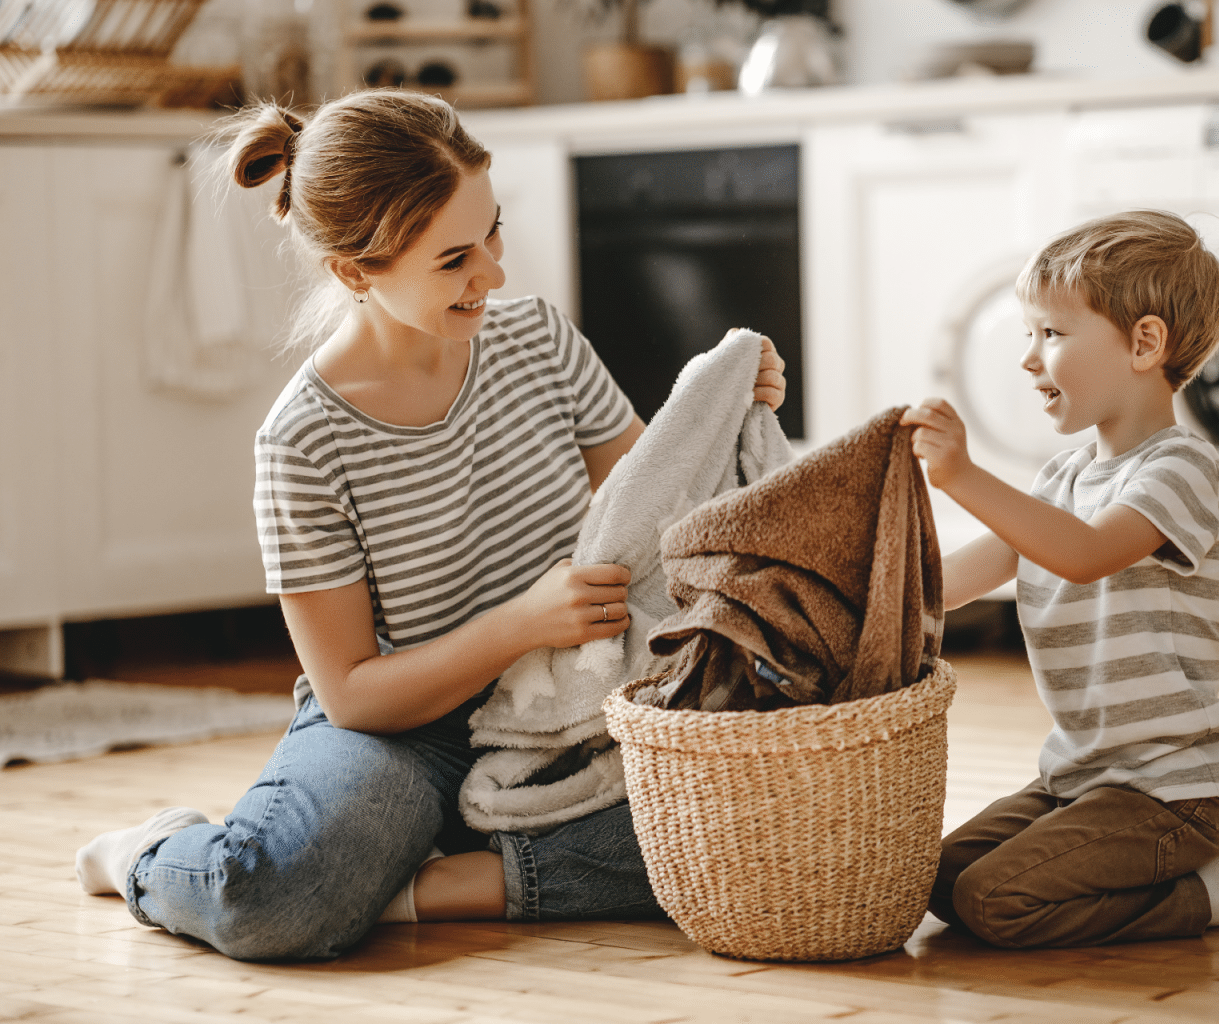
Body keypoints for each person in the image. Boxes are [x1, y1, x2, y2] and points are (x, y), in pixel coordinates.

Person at [73, 89, 787, 961]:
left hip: (571, 707)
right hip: (403, 734)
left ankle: (436, 885)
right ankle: (152, 854)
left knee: (754, 833)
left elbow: (667, 513)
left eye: (492, 232)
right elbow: (351, 693)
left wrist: (728, 411)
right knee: (270, 900)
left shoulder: (541, 341)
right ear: (355, 272)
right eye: (454, 259)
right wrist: (521, 624)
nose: (491, 274)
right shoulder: (302, 442)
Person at [900, 210, 1219, 949]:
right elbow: (962, 577)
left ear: (1145, 344)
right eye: (1030, 334)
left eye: (1051, 335)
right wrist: (875, 590)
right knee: (936, 882)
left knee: (996, 902)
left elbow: (1086, 552)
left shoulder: (1180, 468)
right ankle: (1160, 877)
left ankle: (1210, 894)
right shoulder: (1062, 475)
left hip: (1176, 792)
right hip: (1082, 778)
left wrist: (959, 475)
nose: (1029, 359)